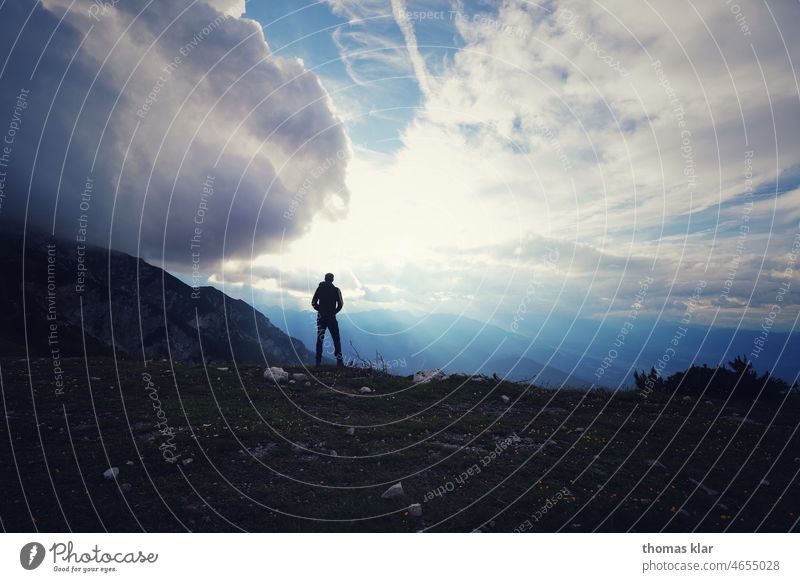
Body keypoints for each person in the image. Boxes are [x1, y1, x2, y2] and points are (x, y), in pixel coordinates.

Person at [311, 272, 344, 367]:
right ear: (332, 279)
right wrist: (334, 312)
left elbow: (313, 302)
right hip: (331, 318)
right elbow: (341, 304)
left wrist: (320, 310)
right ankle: (339, 362)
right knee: (336, 339)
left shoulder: (319, 289)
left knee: (320, 339)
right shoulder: (336, 290)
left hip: (321, 318)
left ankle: (318, 362)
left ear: (325, 279)